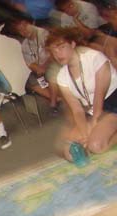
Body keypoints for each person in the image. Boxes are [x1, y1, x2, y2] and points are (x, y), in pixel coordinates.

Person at [47, 27, 117, 157]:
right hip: (91, 109)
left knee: (95, 146)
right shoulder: (62, 76)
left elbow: (99, 98)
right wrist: (84, 133)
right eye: (53, 51)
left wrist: (93, 126)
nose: (58, 54)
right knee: (69, 151)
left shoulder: (94, 58)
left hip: (112, 103)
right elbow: (77, 110)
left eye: (61, 47)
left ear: (73, 44)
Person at [11, 17, 61, 113]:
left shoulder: (44, 34)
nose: (24, 31)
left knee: (50, 73)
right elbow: (29, 64)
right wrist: (38, 69)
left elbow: (53, 53)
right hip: (41, 68)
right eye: (20, 30)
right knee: (31, 82)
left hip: (54, 62)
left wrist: (44, 67)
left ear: (31, 24)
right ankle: (56, 98)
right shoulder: (25, 45)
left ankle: (53, 103)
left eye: (25, 27)